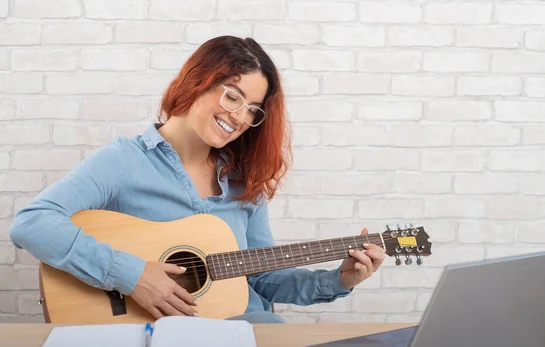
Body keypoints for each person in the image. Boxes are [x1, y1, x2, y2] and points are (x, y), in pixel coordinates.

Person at [9, 36, 385, 324]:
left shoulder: (244, 183)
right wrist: (133, 276)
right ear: (198, 81)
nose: (240, 118)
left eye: (253, 110)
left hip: (248, 335)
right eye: (233, 97)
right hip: (153, 341)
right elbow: (32, 223)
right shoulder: (124, 160)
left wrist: (340, 280)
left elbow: (263, 277)